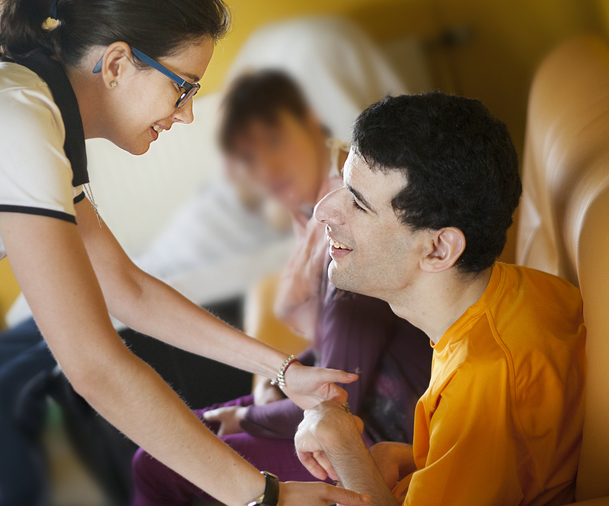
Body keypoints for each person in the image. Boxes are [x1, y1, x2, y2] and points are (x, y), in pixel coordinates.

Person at [0, 0, 374, 504]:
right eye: (184, 86)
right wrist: (262, 496)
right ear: (119, 63)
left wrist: (282, 369)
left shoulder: (30, 116)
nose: (188, 113)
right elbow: (93, 367)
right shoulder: (14, 123)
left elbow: (127, 290)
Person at [130, 70, 433, 506]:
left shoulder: (348, 227)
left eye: (273, 141)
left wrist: (247, 415)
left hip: (379, 436)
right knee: (163, 443)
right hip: (352, 412)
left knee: (156, 464)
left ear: (310, 123)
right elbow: (336, 351)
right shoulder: (314, 223)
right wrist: (286, 374)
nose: (266, 168)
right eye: (248, 158)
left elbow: (342, 393)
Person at [294, 93, 587, 506]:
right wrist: (420, 461)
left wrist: (342, 444)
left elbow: (490, 415)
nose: (323, 211)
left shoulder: (484, 377)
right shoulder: (515, 291)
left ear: (438, 250)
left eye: (358, 203)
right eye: (343, 185)